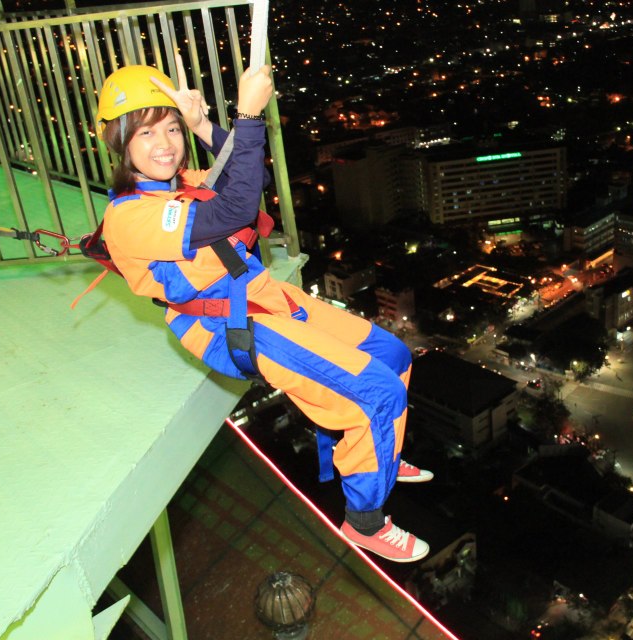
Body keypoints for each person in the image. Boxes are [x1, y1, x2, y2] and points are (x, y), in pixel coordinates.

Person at [94, 57, 432, 563]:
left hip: (260, 296)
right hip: (226, 323)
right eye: (146, 133)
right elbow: (233, 209)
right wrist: (248, 116)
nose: (165, 143)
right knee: (378, 394)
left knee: (394, 355)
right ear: (118, 143)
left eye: (170, 129)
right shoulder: (131, 216)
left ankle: (379, 451)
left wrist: (203, 125)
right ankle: (365, 521)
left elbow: (246, 176)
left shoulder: (180, 182)